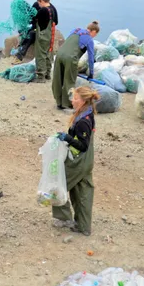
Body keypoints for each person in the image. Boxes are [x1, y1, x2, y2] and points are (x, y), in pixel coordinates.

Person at [52, 86, 100, 236]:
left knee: (58, 183)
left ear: (83, 100)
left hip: (80, 160)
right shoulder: (87, 114)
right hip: (87, 161)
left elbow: (83, 145)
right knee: (83, 192)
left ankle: (64, 217)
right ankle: (83, 226)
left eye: (75, 98)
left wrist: (67, 138)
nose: (72, 101)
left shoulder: (82, 122)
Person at [52, 21, 99, 110]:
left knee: (58, 79)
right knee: (69, 81)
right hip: (71, 58)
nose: (94, 36)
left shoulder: (75, 30)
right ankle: (66, 104)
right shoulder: (89, 39)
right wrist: (91, 73)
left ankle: (58, 102)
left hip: (59, 55)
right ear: (93, 31)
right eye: (95, 35)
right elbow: (91, 58)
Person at [33, 0, 54, 81]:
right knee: (48, 54)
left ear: (42, 1)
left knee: (40, 55)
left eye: (39, 3)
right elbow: (56, 21)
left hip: (42, 35)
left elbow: (34, 19)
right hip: (50, 35)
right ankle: (48, 74)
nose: (39, 5)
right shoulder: (53, 9)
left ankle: (41, 77)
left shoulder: (43, 10)